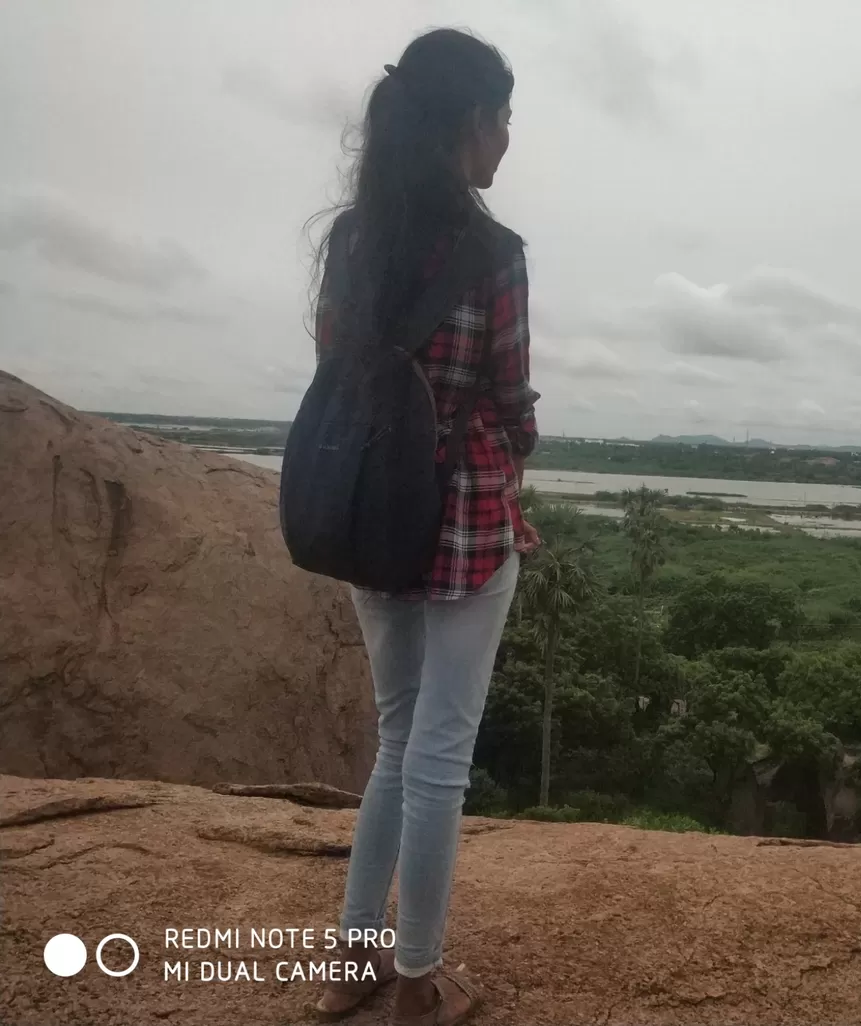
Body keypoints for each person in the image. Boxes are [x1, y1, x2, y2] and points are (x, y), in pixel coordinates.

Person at [307, 27, 539, 1026]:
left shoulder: (354, 239)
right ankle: (418, 980)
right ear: (468, 125)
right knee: (441, 753)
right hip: (468, 525)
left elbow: (334, 367)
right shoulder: (495, 253)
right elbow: (512, 400)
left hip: (368, 515)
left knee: (396, 741)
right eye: (504, 120)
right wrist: (509, 443)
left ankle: (356, 952)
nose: (507, 143)